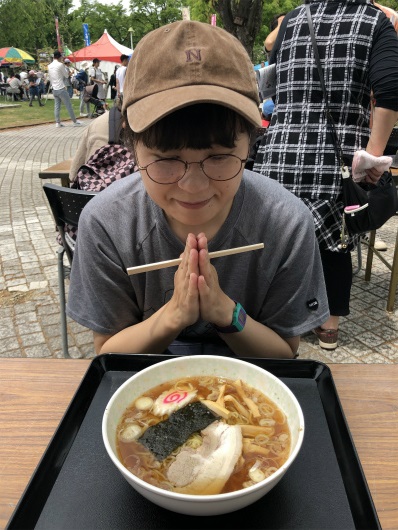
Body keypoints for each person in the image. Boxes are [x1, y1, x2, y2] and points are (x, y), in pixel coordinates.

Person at [67, 20, 329, 359]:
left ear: (250, 144)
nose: (192, 186)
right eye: (166, 158)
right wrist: (174, 315)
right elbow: (108, 354)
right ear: (132, 146)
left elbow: (283, 353)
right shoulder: (106, 223)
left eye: (219, 156)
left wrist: (223, 311)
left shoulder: (286, 222)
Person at [254, 0, 398, 350]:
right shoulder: (374, 20)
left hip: (280, 152)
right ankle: (327, 328)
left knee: (278, 238)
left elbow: (271, 81)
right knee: (336, 241)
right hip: (337, 158)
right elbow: (391, 90)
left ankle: (277, 319)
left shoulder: (293, 18)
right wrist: (373, 157)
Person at [47, 50, 83, 128]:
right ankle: (74, 121)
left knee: (57, 106)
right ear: (59, 57)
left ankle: (57, 122)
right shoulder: (60, 65)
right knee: (68, 105)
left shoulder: (49, 66)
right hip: (61, 88)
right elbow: (66, 76)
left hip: (54, 89)